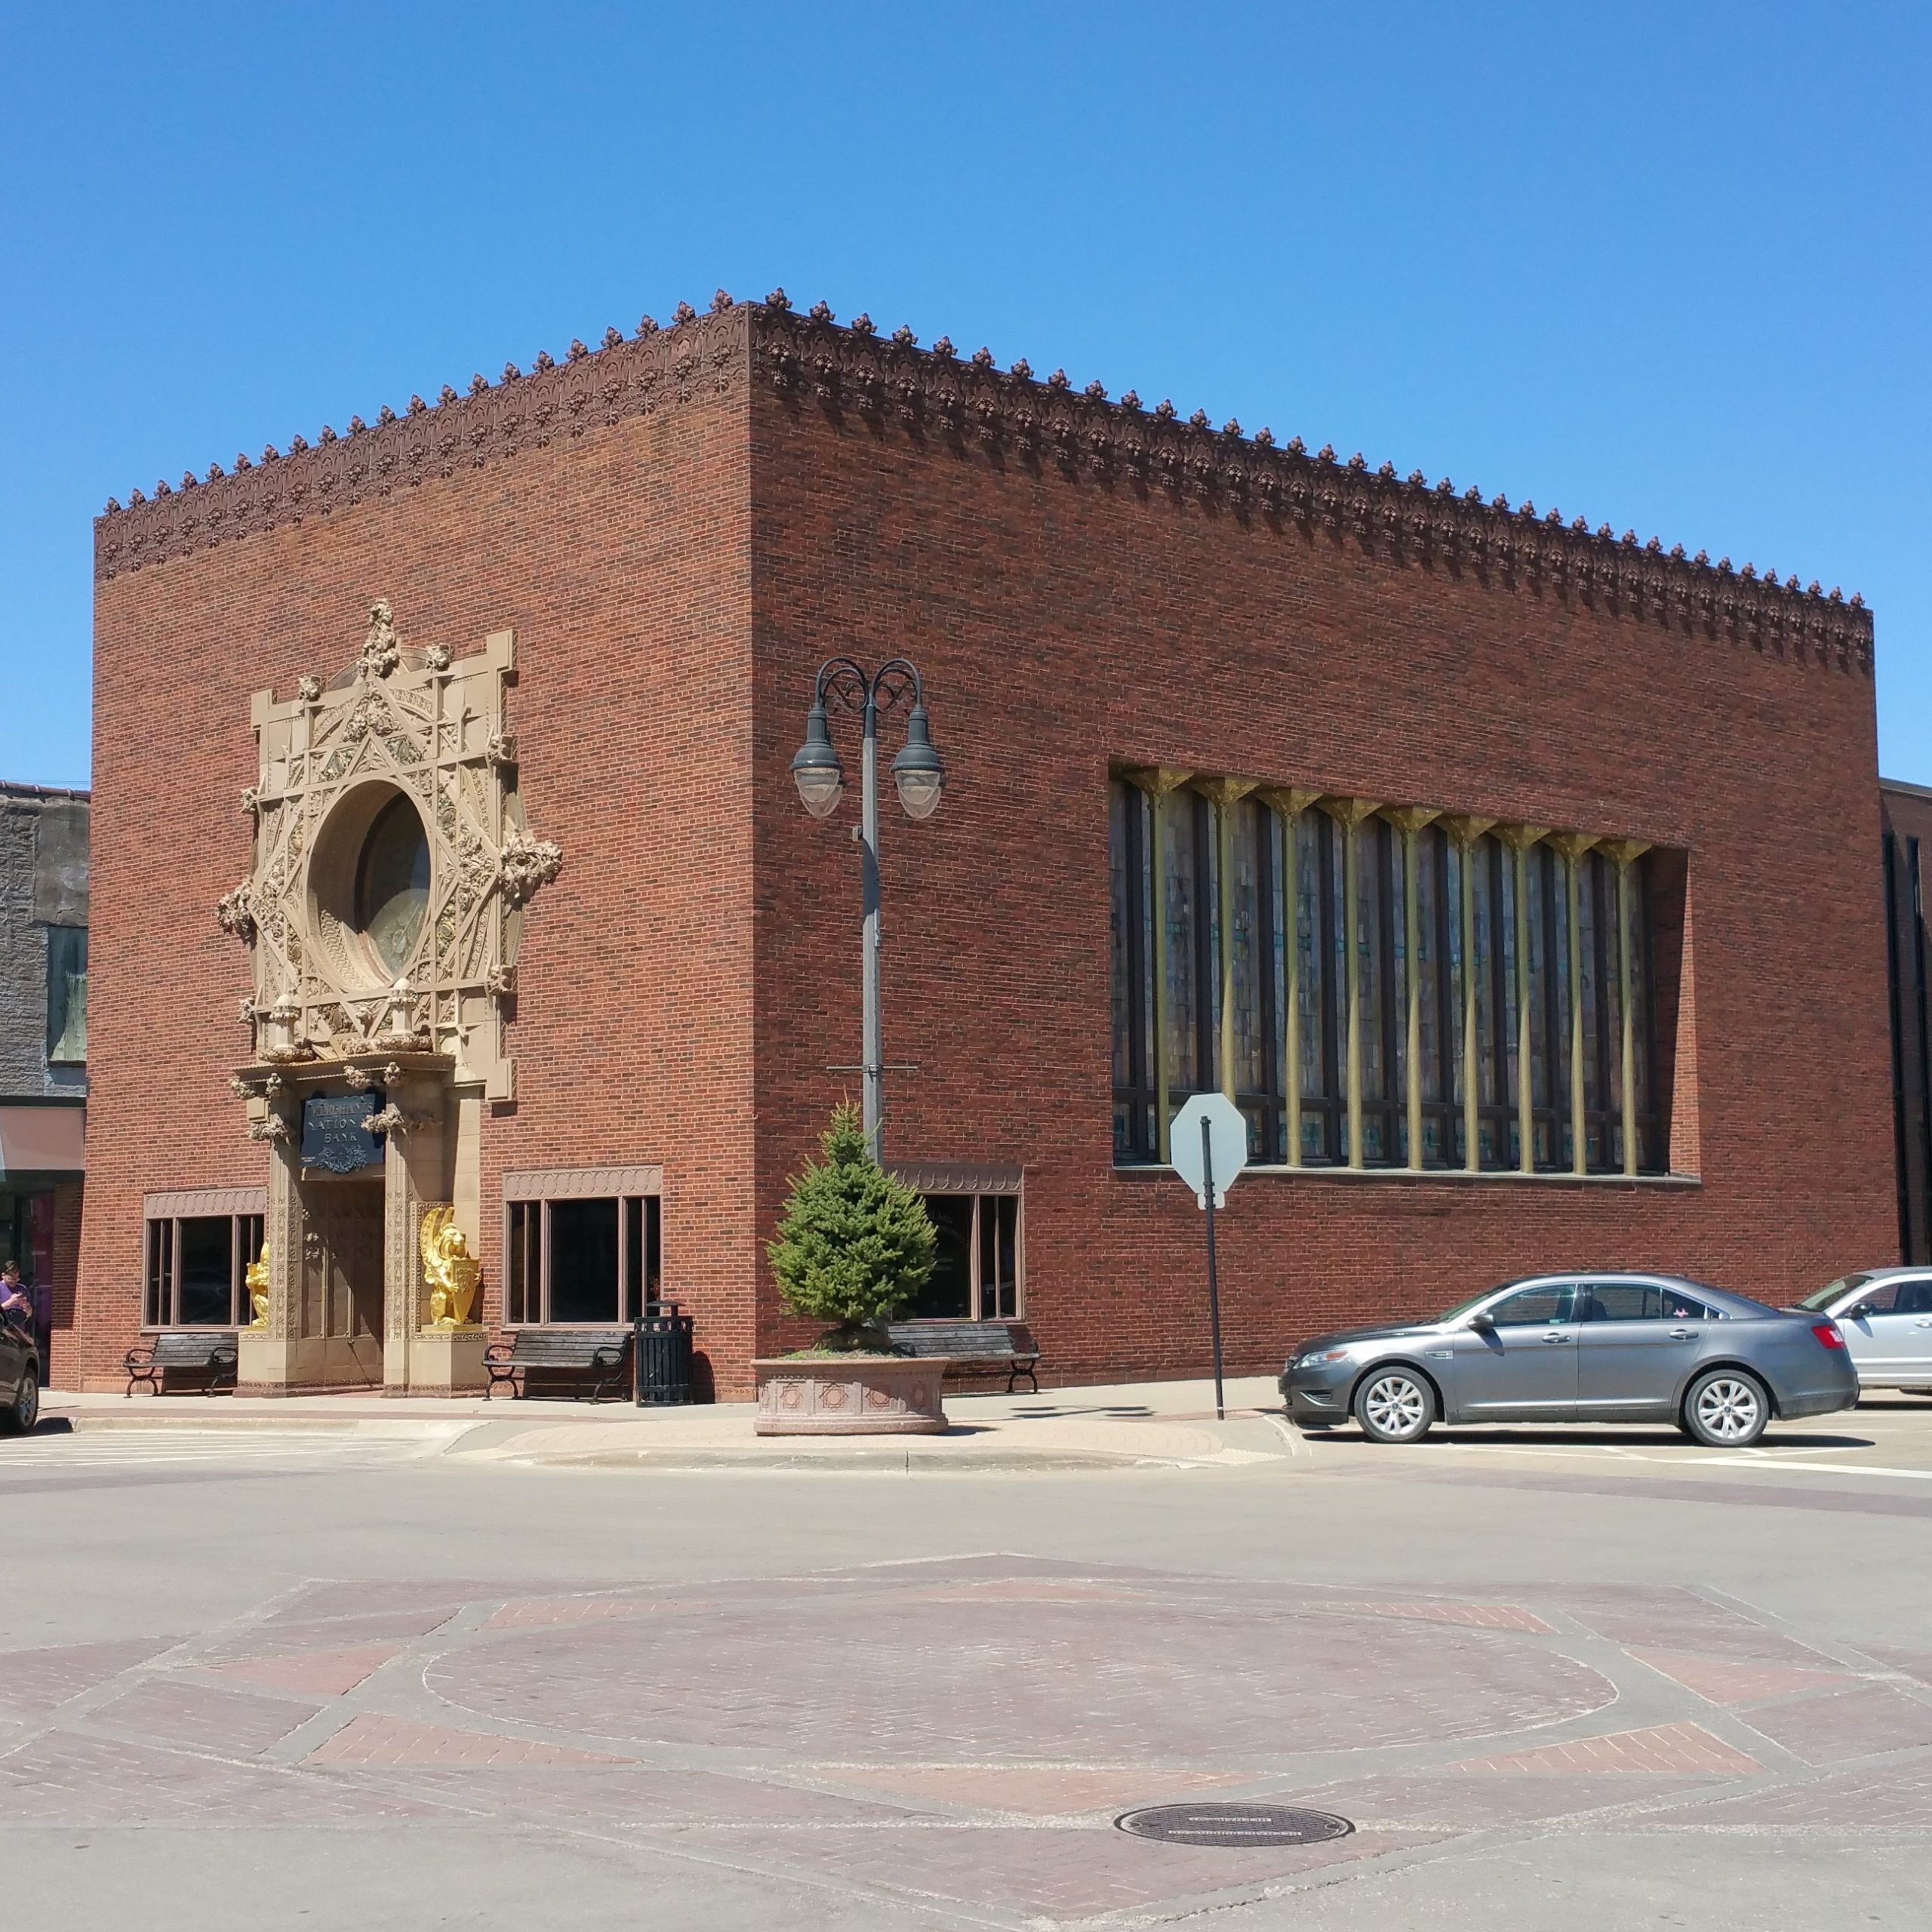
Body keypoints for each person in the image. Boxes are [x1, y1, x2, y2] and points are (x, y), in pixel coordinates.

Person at [0, 1261, 30, 1327]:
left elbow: (29, 1313)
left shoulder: (22, 1288)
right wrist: (11, 1302)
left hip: (19, 1325)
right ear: (3, 1275)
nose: (14, 1282)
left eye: (16, 1279)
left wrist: (26, 1307)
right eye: (11, 1279)